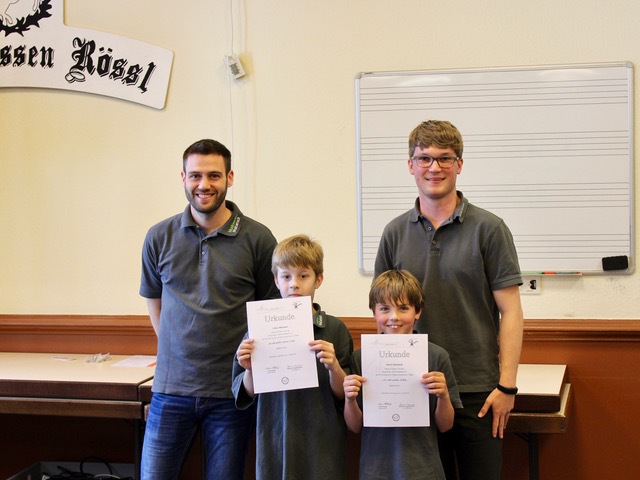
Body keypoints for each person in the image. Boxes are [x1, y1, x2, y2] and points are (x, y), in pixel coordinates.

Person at [374, 120, 524, 480]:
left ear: (459, 164)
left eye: (445, 158)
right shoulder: (394, 233)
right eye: (424, 158)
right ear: (410, 165)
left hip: (478, 390)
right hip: (415, 386)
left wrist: (506, 386)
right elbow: (382, 314)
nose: (434, 167)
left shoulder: (490, 229)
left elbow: (511, 311)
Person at [139, 139, 279, 480]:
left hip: (231, 393)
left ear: (230, 177)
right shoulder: (158, 236)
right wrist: (175, 348)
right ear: (183, 178)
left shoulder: (259, 239)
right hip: (170, 389)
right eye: (196, 175)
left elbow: (271, 311)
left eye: (214, 175)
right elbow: (154, 298)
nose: (204, 184)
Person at [232, 234, 354, 480]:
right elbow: (246, 393)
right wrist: (250, 369)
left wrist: (334, 367)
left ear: (318, 279)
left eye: (303, 276)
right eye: (286, 276)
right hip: (274, 438)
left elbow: (345, 394)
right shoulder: (258, 329)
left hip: (321, 442)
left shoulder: (335, 329)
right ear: (276, 280)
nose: (294, 284)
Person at [343, 269, 462, 480]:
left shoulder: (436, 356)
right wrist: (350, 398)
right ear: (374, 312)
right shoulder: (361, 358)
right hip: (375, 470)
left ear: (418, 312)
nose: (394, 317)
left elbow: (446, 425)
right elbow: (355, 426)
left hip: (424, 469)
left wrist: (443, 396)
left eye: (403, 308)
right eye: (384, 308)